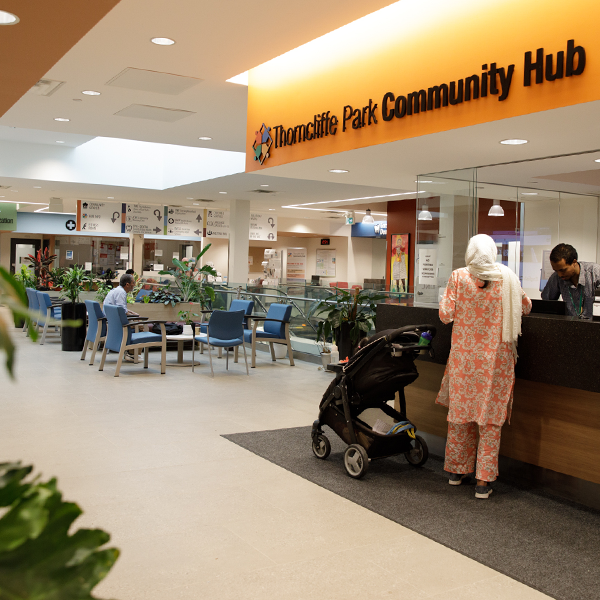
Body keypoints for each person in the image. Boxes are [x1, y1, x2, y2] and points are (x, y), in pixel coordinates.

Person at [435, 234, 532, 499]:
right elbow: (526, 307)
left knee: (460, 415)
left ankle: (456, 472)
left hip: (465, 359)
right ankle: (483, 481)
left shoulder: (458, 277)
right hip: (495, 362)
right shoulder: (507, 278)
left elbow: (446, 315)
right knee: (489, 420)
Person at [541, 243, 600, 319]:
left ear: (574, 262)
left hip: (594, 326)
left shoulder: (595, 273)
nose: (560, 275)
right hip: (570, 326)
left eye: (563, 270)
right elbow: (547, 301)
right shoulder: (556, 277)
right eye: (556, 271)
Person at [104, 273, 140, 362]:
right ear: (127, 284)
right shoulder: (121, 293)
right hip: (116, 323)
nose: (134, 285)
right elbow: (122, 311)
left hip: (111, 320)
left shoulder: (117, 290)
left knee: (136, 320)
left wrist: (132, 313)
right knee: (140, 326)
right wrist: (135, 317)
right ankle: (131, 354)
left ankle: (130, 352)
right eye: (133, 283)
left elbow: (122, 309)